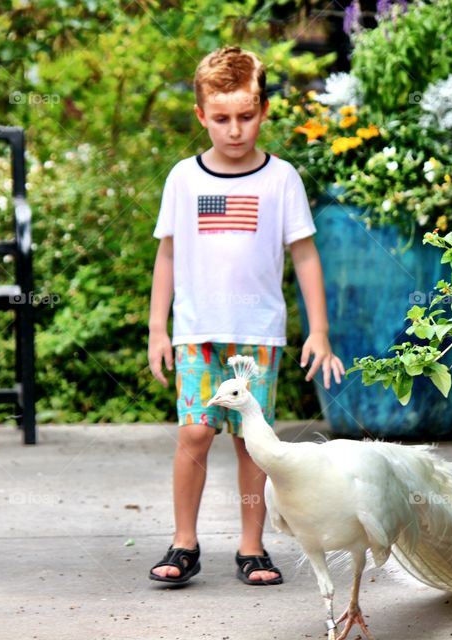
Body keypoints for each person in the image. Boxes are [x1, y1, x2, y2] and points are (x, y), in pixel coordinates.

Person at [147, 46, 345, 586]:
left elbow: (305, 255)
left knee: (250, 441)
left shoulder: (281, 179)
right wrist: (158, 329)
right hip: (197, 332)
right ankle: (184, 541)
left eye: (246, 116)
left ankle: (251, 547)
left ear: (262, 111)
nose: (234, 130)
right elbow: (166, 254)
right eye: (221, 118)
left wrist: (319, 332)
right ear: (201, 116)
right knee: (193, 435)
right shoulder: (183, 179)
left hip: (256, 337)